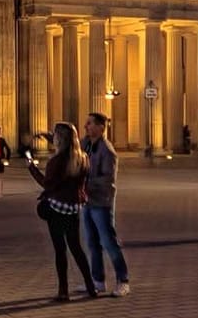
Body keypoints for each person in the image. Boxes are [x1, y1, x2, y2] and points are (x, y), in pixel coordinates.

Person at [27, 122, 97, 301]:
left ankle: (63, 291)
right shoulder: (82, 158)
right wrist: (49, 137)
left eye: (55, 136)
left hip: (57, 207)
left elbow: (46, 184)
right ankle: (91, 287)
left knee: (60, 249)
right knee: (76, 248)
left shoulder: (55, 162)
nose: (54, 138)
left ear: (60, 139)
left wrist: (31, 166)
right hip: (73, 207)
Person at [80, 113, 129, 297]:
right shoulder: (86, 144)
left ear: (101, 127)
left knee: (109, 242)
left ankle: (123, 280)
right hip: (87, 200)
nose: (86, 126)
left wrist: (85, 183)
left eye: (90, 123)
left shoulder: (107, 151)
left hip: (102, 202)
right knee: (92, 243)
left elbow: (108, 179)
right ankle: (98, 281)